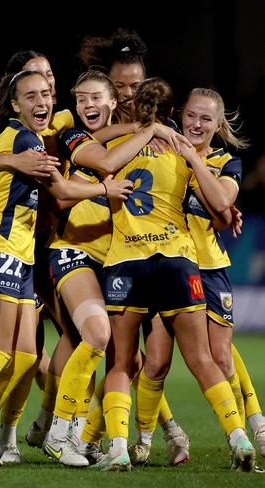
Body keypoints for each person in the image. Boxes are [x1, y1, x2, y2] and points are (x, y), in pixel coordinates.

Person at [0, 70, 133, 470]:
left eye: (46, 94)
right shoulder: (17, 136)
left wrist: (106, 184)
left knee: (22, 357)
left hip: (20, 258)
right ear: (15, 103)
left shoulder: (35, 137)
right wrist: (13, 160)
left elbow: (66, 183)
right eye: (31, 96)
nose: (42, 102)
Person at [96, 77, 255, 472]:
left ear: (218, 125)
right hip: (179, 264)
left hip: (193, 265)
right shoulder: (174, 151)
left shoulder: (216, 160)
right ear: (176, 115)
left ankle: (253, 425)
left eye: (205, 119)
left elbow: (222, 204)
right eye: (190, 116)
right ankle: (156, 440)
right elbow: (220, 208)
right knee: (161, 362)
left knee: (214, 356)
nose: (196, 124)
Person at [40, 70, 184, 467]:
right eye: (81, 97)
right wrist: (149, 130)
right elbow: (67, 193)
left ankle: (83, 432)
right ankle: (58, 431)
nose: (89, 105)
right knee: (94, 334)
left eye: (96, 98)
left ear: (111, 103)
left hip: (118, 261)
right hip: (73, 252)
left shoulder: (132, 138)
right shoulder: (70, 132)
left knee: (131, 361)